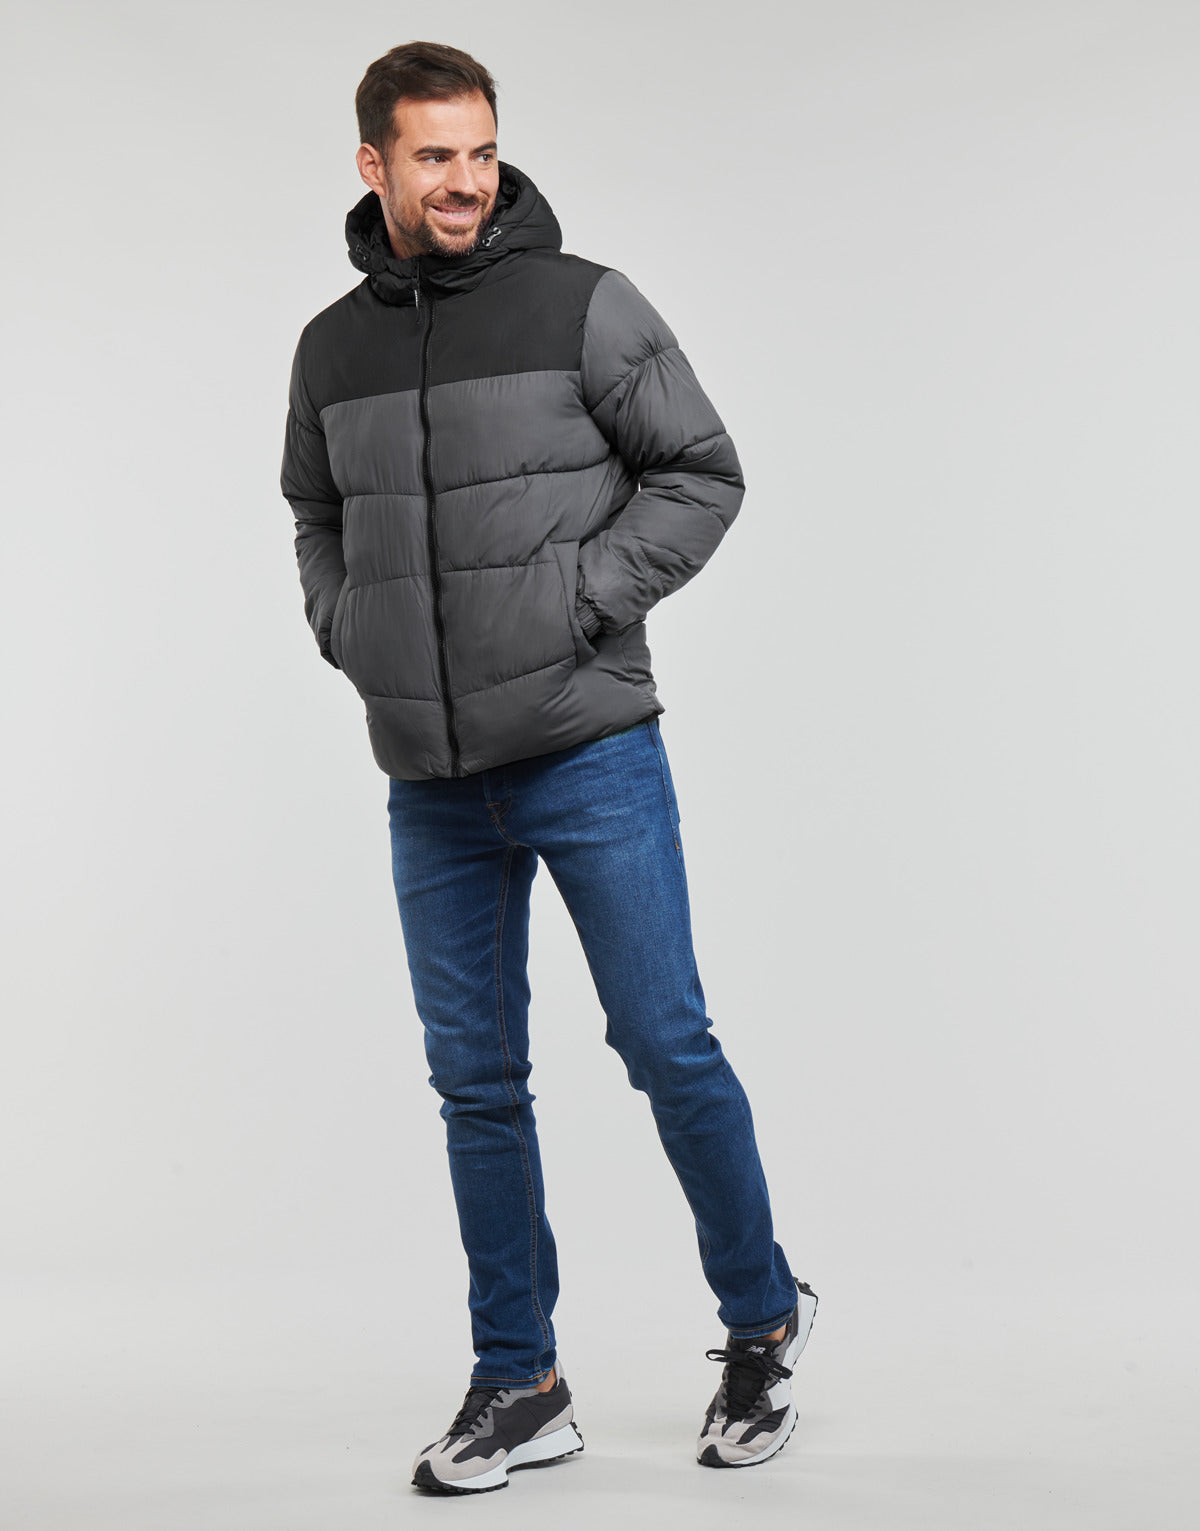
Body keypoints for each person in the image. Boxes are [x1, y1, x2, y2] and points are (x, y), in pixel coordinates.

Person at [280, 39, 818, 1494]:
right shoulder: (331, 348)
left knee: (664, 1041)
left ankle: (764, 1321)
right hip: (430, 780)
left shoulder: (585, 303)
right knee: (476, 1083)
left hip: (589, 751)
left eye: (481, 151)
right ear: (375, 165)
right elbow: (314, 512)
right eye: (434, 156)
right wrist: (352, 630)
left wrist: (580, 600)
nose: (465, 180)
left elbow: (703, 471)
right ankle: (520, 1380)